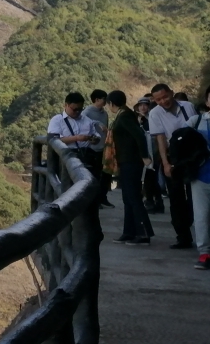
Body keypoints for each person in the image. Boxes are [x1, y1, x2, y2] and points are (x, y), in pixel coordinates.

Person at [148, 83, 198, 249]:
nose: (163, 101)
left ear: (172, 93)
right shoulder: (155, 113)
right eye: (158, 99)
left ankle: (197, 228)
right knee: (176, 199)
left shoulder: (188, 106)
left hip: (193, 156)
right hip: (173, 156)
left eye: (165, 97)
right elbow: (160, 140)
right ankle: (183, 237)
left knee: (195, 196)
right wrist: (166, 164)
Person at [48, 92, 103, 238]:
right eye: (74, 109)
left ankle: (83, 221)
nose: (77, 112)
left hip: (86, 156)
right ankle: (66, 224)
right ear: (66, 105)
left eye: (80, 109)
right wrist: (77, 138)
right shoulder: (57, 120)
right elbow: (53, 140)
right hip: (65, 157)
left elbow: (96, 136)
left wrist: (94, 139)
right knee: (66, 190)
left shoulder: (86, 120)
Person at [106, 91, 154, 244]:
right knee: (128, 198)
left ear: (112, 103)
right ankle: (129, 232)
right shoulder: (124, 114)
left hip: (131, 161)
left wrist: (145, 156)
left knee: (133, 197)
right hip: (126, 161)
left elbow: (138, 135)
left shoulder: (125, 116)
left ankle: (143, 233)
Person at [187, 85, 210, 270]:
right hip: (200, 176)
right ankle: (204, 253)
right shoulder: (196, 121)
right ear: (207, 100)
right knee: (201, 216)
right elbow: (179, 141)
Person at [83, 89, 113, 207]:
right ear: (96, 100)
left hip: (104, 148)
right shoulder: (87, 112)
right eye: (104, 99)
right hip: (91, 149)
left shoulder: (104, 113)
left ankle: (102, 198)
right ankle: (94, 200)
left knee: (105, 175)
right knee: (94, 176)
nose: (105, 101)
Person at [135, 97, 164, 212]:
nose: (143, 107)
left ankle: (154, 201)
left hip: (154, 152)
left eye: (145, 105)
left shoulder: (153, 118)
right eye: (140, 105)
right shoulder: (135, 119)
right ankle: (152, 201)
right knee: (148, 179)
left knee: (152, 178)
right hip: (142, 153)